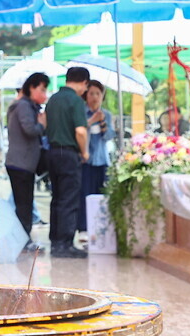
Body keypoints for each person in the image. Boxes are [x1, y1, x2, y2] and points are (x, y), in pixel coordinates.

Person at [44, 66, 90, 258]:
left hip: (53, 153)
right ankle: (65, 243)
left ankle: (55, 241)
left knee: (57, 197)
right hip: (69, 153)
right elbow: (80, 131)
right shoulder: (76, 101)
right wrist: (85, 152)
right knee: (69, 198)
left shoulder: (53, 99)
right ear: (84, 83)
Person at [4, 72, 50, 252]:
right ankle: (23, 241)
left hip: (23, 163)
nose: (44, 93)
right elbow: (30, 129)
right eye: (42, 89)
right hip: (20, 164)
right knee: (24, 204)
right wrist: (43, 125)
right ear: (32, 88)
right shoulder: (22, 106)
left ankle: (24, 239)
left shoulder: (27, 106)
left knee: (25, 203)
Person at [78, 79, 115, 233]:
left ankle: (99, 229)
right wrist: (92, 120)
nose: (94, 97)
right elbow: (79, 130)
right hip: (85, 161)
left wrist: (103, 124)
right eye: (91, 93)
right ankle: (83, 228)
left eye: (98, 94)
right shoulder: (81, 112)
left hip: (101, 160)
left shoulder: (106, 114)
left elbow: (109, 136)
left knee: (101, 195)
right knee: (84, 195)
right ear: (86, 95)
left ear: (102, 96)